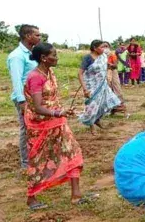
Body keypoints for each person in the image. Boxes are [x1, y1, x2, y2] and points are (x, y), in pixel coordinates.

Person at [24, 43, 98, 210]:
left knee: (72, 151)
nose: (56, 58)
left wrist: (61, 112)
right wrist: (58, 113)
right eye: (54, 55)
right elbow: (38, 107)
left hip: (57, 122)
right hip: (40, 125)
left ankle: (76, 195)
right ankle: (31, 197)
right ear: (44, 58)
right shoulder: (36, 77)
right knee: (39, 159)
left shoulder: (49, 72)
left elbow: (50, 101)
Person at [6, 24, 41, 169]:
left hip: (34, 97)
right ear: (28, 36)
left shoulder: (32, 53)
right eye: (37, 35)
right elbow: (17, 80)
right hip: (24, 98)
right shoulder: (17, 56)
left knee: (36, 127)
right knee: (26, 129)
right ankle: (26, 163)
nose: (40, 37)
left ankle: (36, 156)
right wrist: (21, 101)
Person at [78, 40, 122, 135]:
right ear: (95, 48)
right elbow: (80, 73)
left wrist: (111, 65)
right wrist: (85, 88)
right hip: (91, 86)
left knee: (105, 103)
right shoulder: (88, 58)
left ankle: (97, 119)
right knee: (91, 106)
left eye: (105, 47)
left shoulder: (103, 57)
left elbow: (104, 66)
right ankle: (92, 126)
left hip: (102, 84)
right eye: (102, 47)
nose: (104, 49)